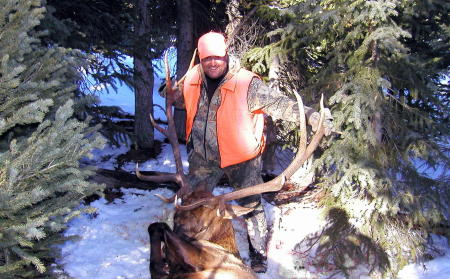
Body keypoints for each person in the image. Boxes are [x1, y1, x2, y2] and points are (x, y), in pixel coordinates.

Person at [167, 31, 333, 272]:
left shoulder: (247, 83)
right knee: (193, 203)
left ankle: (257, 252)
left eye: (217, 57)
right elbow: (180, 98)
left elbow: (279, 104)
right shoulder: (193, 77)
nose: (213, 62)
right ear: (201, 59)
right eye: (206, 58)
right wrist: (170, 94)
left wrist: (310, 116)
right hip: (204, 156)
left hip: (241, 158)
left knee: (251, 205)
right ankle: (191, 245)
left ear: (226, 55)